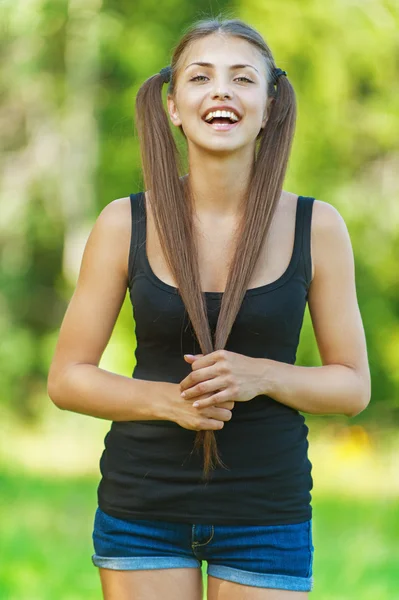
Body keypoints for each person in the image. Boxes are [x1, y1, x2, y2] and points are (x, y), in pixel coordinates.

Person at [47, 16, 371, 600]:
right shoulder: (124, 221)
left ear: (269, 106)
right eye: (201, 77)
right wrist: (170, 402)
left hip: (266, 511)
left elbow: (352, 388)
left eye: (243, 79)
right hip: (141, 508)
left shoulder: (316, 226)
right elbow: (68, 379)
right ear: (174, 105)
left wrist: (262, 375)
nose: (221, 90)